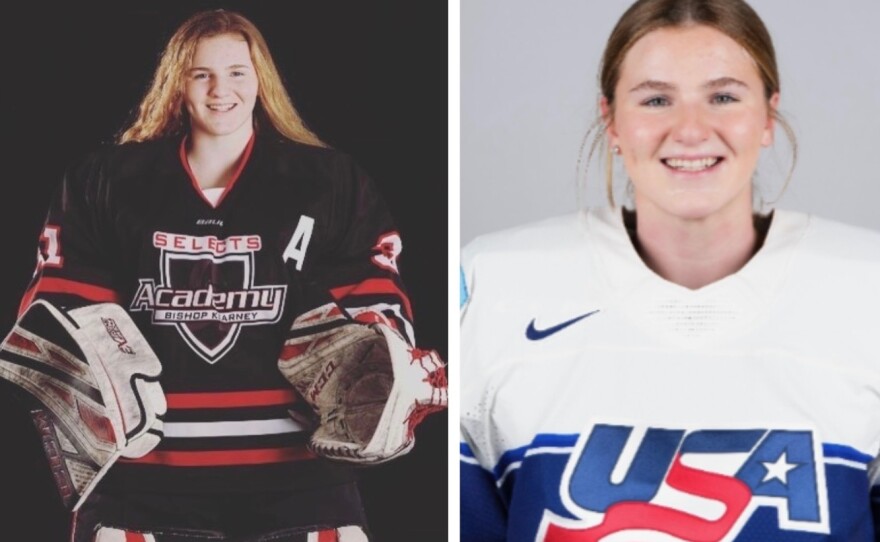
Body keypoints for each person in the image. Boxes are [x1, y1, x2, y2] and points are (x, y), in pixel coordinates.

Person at [1, 8, 445, 541]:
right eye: (201, 74)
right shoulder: (105, 179)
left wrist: (380, 354)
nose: (220, 90)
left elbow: (374, 300)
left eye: (237, 72)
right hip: (142, 482)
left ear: (261, 79)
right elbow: (59, 308)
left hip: (300, 481)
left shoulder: (329, 180)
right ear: (177, 83)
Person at [459, 0, 880, 540]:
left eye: (723, 97)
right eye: (656, 100)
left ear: (768, 117)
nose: (690, 130)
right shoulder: (496, 287)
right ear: (611, 120)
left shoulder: (865, 290)